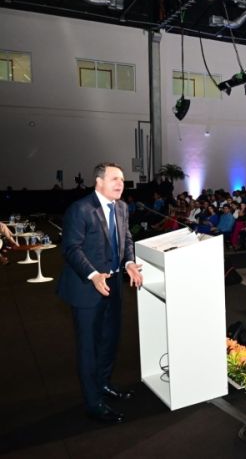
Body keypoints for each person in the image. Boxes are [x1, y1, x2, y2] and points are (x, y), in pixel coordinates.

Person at [58, 163, 143, 424]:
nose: (121, 184)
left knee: (109, 340)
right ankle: (93, 403)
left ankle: (104, 384)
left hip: (114, 284)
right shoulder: (80, 209)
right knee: (89, 347)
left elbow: (126, 239)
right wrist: (93, 275)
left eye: (123, 180)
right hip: (86, 287)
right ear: (99, 181)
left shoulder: (122, 207)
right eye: (115, 179)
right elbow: (71, 248)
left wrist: (129, 262)